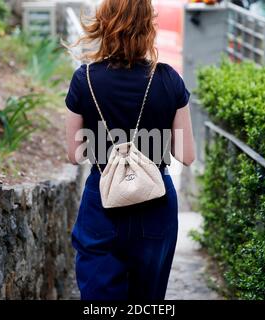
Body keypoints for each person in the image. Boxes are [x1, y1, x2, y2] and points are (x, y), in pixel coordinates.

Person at [64, 0, 195, 300]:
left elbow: (74, 154)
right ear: (148, 25)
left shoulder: (83, 79)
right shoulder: (168, 79)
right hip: (156, 204)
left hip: (103, 204)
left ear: (105, 24)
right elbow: (186, 156)